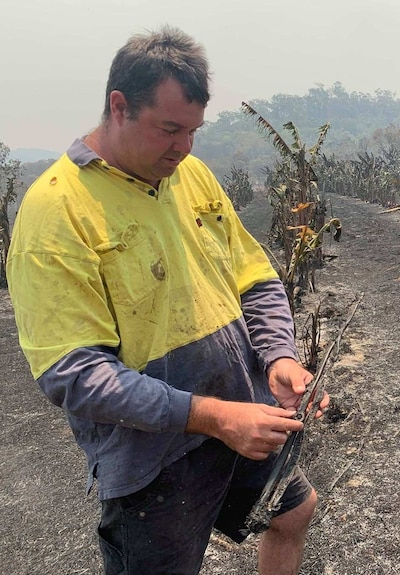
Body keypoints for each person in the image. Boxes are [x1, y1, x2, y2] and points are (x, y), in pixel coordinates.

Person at [6, 26, 327, 575]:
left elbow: (254, 278)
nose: (184, 147)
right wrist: (211, 416)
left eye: (194, 132)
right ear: (119, 107)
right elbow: (74, 372)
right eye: (170, 129)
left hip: (242, 413)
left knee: (293, 512)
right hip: (154, 457)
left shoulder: (190, 174)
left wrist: (278, 357)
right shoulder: (57, 209)